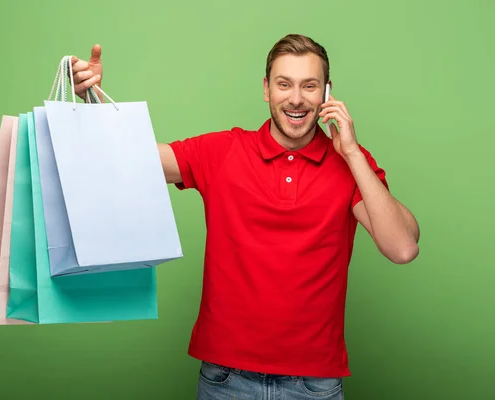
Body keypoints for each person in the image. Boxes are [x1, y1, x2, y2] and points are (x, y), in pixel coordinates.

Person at [70, 34, 420, 400]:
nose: (297, 99)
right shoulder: (223, 151)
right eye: (284, 84)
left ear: (327, 93)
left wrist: (351, 151)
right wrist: (92, 101)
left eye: (310, 86)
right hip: (226, 380)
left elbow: (402, 248)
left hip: (314, 384)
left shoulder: (349, 163)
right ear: (267, 89)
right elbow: (133, 159)